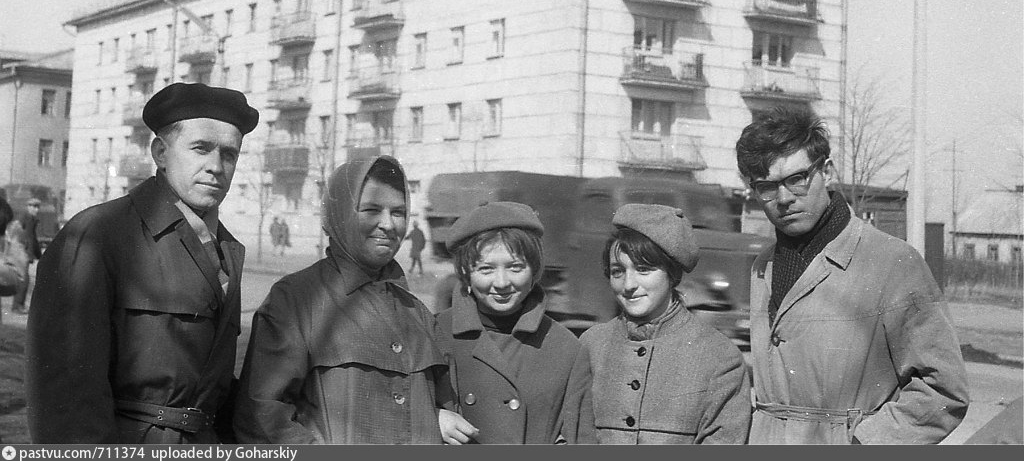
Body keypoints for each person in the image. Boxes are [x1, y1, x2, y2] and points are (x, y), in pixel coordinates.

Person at [25, 82, 259, 443]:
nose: (216, 166)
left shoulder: (227, 250)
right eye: (200, 148)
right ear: (160, 153)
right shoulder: (98, 234)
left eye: (229, 154)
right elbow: (66, 394)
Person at [735, 106, 970, 444]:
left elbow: (944, 391)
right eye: (767, 187)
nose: (783, 198)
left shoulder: (892, 262)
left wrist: (862, 444)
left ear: (827, 171)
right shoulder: (763, 266)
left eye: (797, 179)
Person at [233, 154, 462, 444]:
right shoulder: (296, 299)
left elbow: (442, 402)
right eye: (371, 210)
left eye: (399, 212)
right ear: (340, 213)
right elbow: (263, 420)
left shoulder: (415, 311)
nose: (388, 224)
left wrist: (432, 417)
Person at [579, 203, 751, 444]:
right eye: (618, 271)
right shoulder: (591, 345)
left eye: (643, 269)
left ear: (672, 274)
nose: (628, 285)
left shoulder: (720, 357)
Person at [435, 201, 595, 444]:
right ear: (466, 273)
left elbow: (580, 439)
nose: (501, 283)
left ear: (534, 270)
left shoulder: (565, 348)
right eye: (486, 269)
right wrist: (432, 417)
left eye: (515, 267)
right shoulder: (435, 334)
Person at [10, 196, 42, 314]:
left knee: (23, 279)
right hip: (20, 251)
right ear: (28, 207)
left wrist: (39, 255)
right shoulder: (24, 217)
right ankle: (17, 306)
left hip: (24, 251)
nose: (36, 209)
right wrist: (22, 247)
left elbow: (33, 238)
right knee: (23, 279)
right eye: (33, 206)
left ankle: (19, 305)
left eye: (37, 207)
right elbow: (15, 232)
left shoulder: (32, 219)